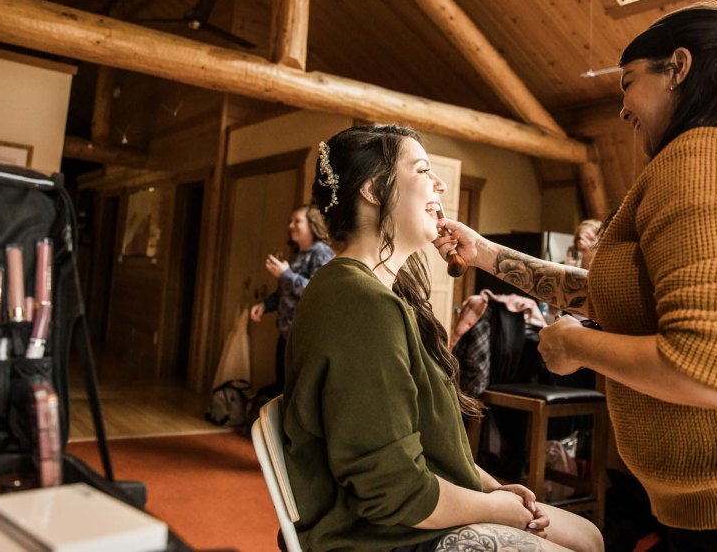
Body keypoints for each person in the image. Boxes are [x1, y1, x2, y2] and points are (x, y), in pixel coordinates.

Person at [435, 3, 717, 551]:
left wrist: (575, 343)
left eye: (628, 82)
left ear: (678, 66)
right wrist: (484, 253)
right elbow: (621, 295)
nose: (622, 110)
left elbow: (712, 373)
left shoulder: (703, 160)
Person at [282, 126, 603, 552]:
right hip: (379, 537)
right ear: (374, 190)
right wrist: (497, 508)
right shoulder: (357, 302)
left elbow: (431, 446)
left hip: (405, 514)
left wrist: (493, 486)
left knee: (590, 535)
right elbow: (393, 492)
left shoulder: (377, 292)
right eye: (423, 169)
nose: (441, 183)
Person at [249, 204, 334, 395]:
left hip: (305, 337)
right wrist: (265, 305)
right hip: (286, 333)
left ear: (312, 224)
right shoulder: (296, 255)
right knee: (282, 388)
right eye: (290, 221)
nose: (291, 225)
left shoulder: (322, 253)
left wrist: (286, 274)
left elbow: (318, 292)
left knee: (296, 392)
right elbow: (283, 293)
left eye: (297, 221)